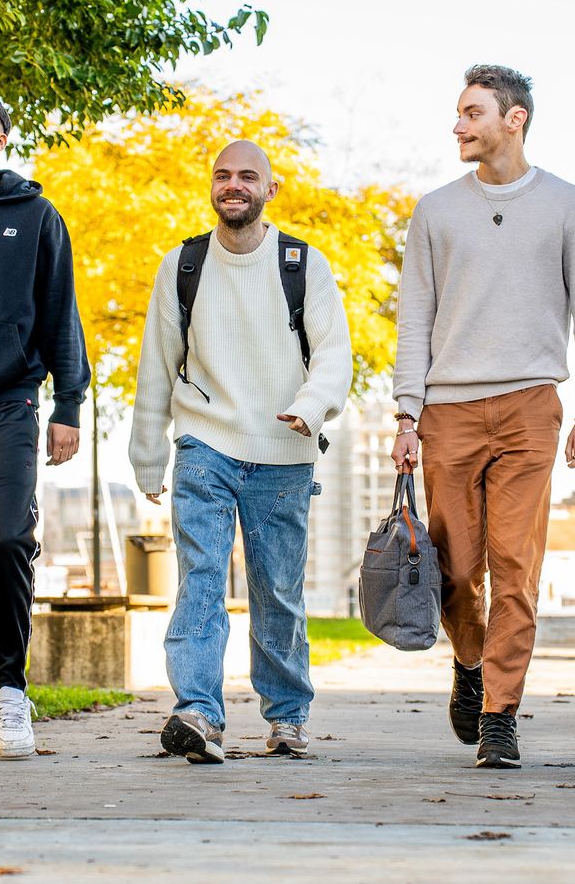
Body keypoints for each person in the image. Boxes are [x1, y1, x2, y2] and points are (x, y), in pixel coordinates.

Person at [129, 139, 352, 764]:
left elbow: (335, 355)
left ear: (270, 189)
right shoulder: (183, 265)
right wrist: (148, 453)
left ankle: (286, 717)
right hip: (205, 440)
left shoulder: (304, 264)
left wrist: (309, 408)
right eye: (223, 175)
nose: (234, 184)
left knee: (276, 589)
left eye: (248, 176)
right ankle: (198, 711)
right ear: (212, 188)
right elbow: (157, 365)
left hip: (285, 447)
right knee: (199, 578)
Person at [392, 64, 575, 769]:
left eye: (472, 113)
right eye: (460, 113)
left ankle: (501, 714)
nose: (459, 126)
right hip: (450, 412)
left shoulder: (563, 204)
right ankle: (469, 663)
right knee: (457, 569)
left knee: (515, 566)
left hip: (531, 406)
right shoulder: (437, 211)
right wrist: (408, 414)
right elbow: (415, 317)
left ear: (514, 118)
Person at [0, 91, 90, 758]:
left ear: (1, 139)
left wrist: (69, 406)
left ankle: (9, 693)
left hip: (11, 402)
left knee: (8, 537)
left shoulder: (36, 215)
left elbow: (59, 312)